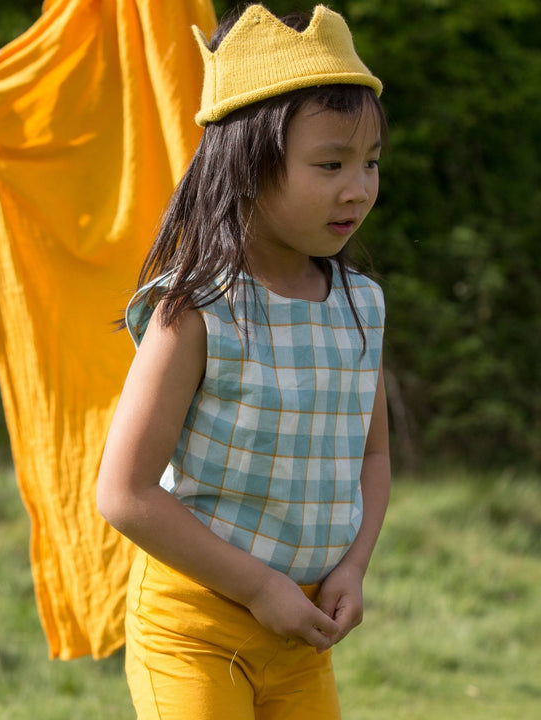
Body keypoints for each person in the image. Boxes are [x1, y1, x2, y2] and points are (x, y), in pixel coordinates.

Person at [97, 4, 391, 719]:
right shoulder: (196, 310)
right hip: (194, 628)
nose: (358, 187)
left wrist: (351, 566)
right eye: (330, 164)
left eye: (371, 163)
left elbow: (372, 457)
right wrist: (260, 588)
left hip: (301, 634)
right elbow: (125, 494)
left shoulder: (362, 303)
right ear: (249, 166)